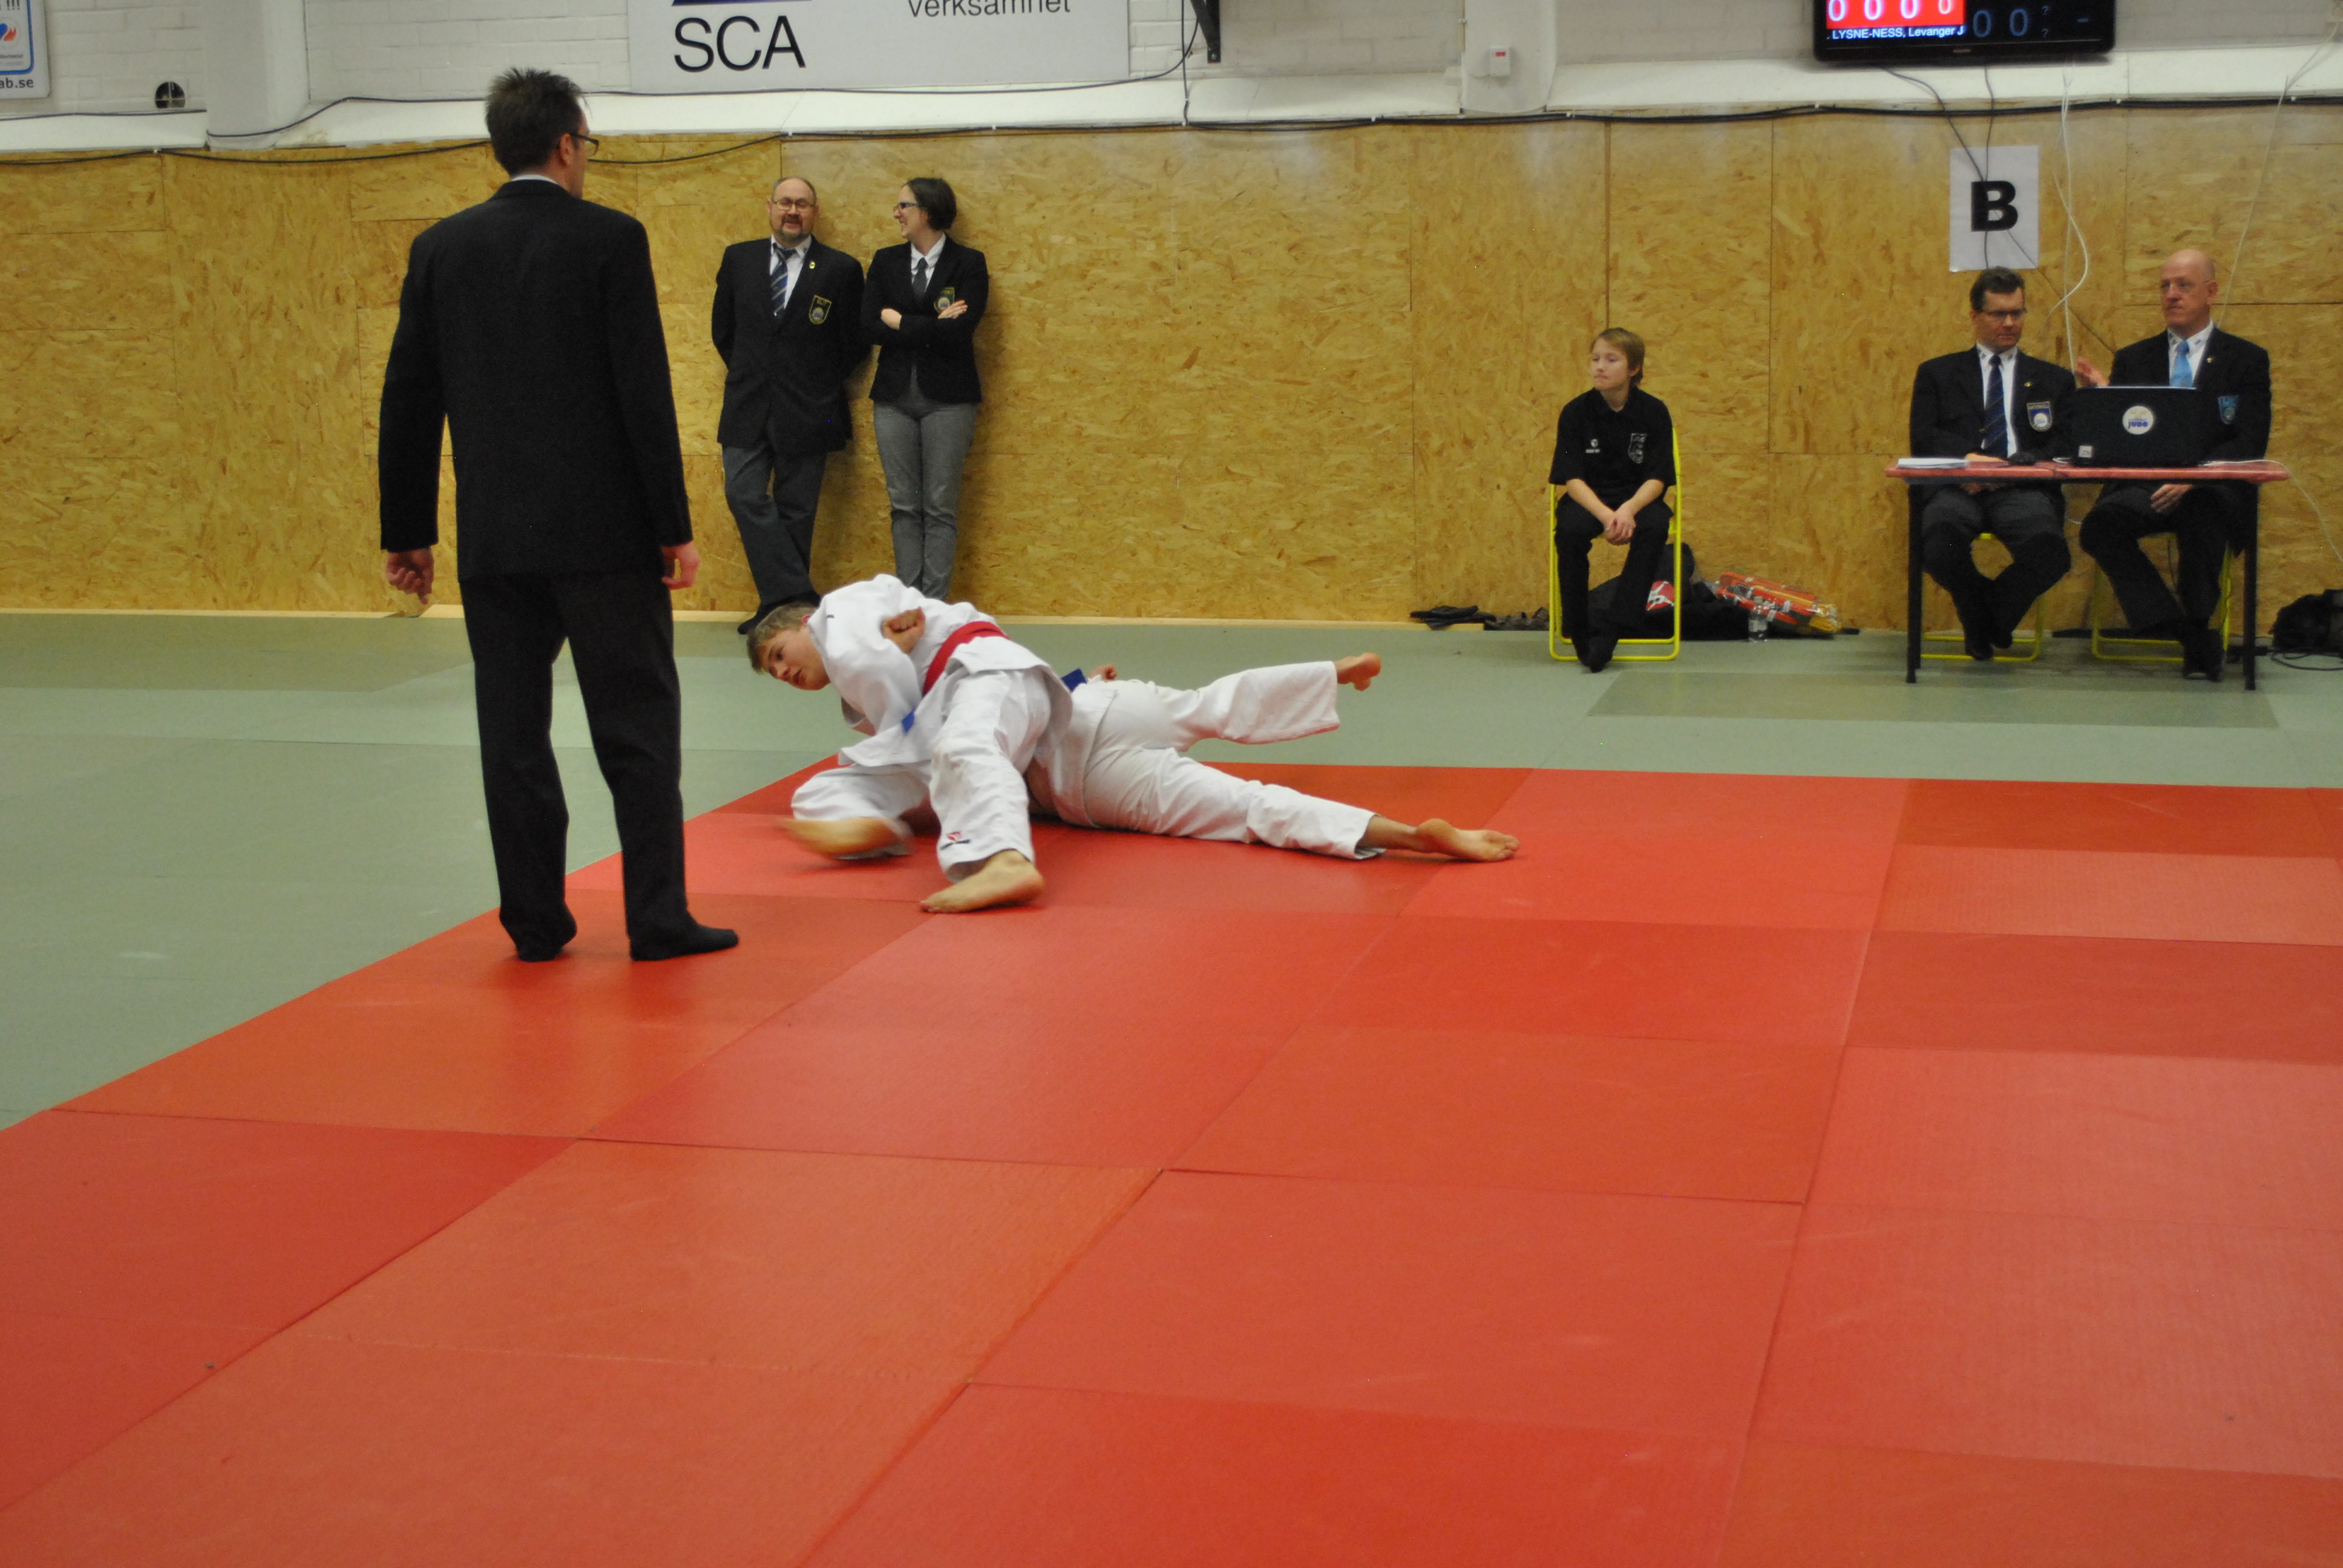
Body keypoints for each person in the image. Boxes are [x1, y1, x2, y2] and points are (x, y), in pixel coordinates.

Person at [378, 68, 735, 963]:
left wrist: (407, 532)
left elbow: (409, 398)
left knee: (512, 736)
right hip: (606, 535)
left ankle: (534, 924)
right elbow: (642, 392)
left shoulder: (441, 248)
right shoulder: (610, 238)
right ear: (568, 144)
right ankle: (656, 917)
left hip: (496, 539)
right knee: (637, 727)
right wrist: (673, 525)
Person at [747, 575, 1067, 913]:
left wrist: (889, 654)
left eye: (779, 654)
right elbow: (893, 714)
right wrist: (894, 652)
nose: (782, 672)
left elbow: (869, 666)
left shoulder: (837, 611)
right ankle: (873, 826)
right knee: (820, 792)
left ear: (806, 622)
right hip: (939, 712)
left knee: (962, 747)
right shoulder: (854, 663)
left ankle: (1008, 862)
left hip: (984, 674)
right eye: (774, 672)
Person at [1029, 656, 1521, 864]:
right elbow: (1042, 690)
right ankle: (1330, 672)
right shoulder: (995, 664)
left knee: (1249, 805)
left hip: (1080, 771)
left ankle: (1410, 836)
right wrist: (1081, 681)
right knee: (1217, 701)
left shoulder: (977, 735)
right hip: (1100, 698)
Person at [2074, 249, 2273, 681]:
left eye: (2183, 285)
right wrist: (2103, 401)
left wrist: (2194, 479)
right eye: (2165, 286)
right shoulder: (2135, 358)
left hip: (2210, 486)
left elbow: (2250, 440)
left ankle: (2198, 624)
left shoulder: (2245, 359)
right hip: (2147, 486)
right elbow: (2120, 441)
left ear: (2211, 291)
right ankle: (2184, 633)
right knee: (2100, 527)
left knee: (2202, 515)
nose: (2171, 294)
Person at [711, 175, 870, 629]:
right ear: (770, 208)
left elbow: (854, 343)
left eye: (802, 204)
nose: (793, 211)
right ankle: (798, 596)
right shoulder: (739, 259)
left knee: (798, 511)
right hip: (747, 402)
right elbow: (723, 330)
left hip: (811, 405)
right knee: (743, 493)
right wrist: (757, 373)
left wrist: (813, 380)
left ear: (814, 212)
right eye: (785, 202)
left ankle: (780, 615)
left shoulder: (840, 268)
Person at [1908, 266, 2077, 659]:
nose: (2010, 323)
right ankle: (1982, 611)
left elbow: (2064, 442)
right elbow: (1923, 436)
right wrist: (1968, 459)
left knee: (2050, 553)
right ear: (1975, 315)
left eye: (2017, 313)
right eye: (1999, 314)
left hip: (2021, 488)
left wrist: (2016, 467)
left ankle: (1985, 617)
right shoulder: (1937, 373)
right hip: (1958, 486)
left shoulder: (2053, 380)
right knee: (1940, 545)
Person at [863, 177, 988, 599]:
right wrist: (934, 327)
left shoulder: (968, 263)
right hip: (893, 399)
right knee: (903, 506)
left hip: (949, 401)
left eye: (904, 206)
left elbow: (961, 332)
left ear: (928, 211)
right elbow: (869, 326)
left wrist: (901, 321)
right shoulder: (885, 261)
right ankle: (907, 603)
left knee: (939, 506)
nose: (896, 214)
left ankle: (933, 606)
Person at [1550, 328, 1676, 672]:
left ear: (1633, 368)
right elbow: (1572, 479)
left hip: (1638, 499)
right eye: (1595, 359)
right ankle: (1578, 627)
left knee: (1655, 527)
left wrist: (1629, 510)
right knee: (1570, 532)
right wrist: (1608, 516)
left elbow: (1658, 477)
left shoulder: (1654, 412)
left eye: (1611, 359)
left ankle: (1614, 628)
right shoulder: (1575, 412)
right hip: (1590, 500)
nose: (1600, 367)